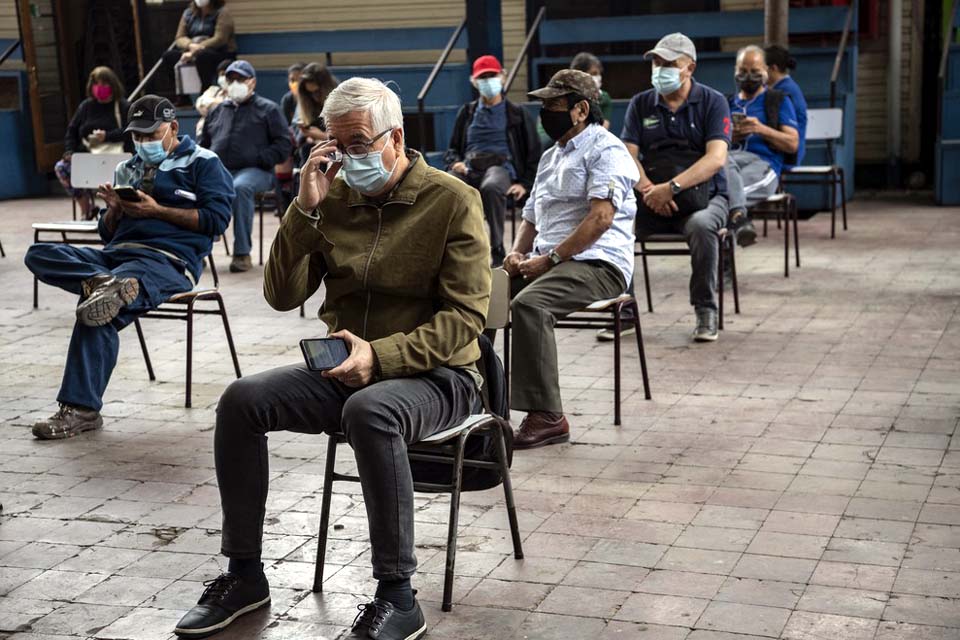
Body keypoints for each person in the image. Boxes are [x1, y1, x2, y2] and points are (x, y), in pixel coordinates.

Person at [174, 77, 490, 640]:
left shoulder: (451, 200)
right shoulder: (334, 198)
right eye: (338, 144)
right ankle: (244, 574)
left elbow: (465, 320)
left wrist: (381, 356)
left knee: (370, 411)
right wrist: (302, 211)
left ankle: (398, 595)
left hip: (440, 375)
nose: (349, 156)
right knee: (242, 400)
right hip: (345, 369)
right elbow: (279, 294)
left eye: (361, 142)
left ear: (396, 138)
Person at [24, 95, 234, 440]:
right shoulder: (127, 168)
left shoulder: (204, 163)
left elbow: (216, 221)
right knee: (39, 253)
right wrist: (114, 210)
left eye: (151, 135)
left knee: (97, 311)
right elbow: (107, 234)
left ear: (173, 128)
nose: (143, 143)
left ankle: (80, 409)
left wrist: (158, 211)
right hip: (115, 257)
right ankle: (104, 283)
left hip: (165, 261)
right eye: (138, 136)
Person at [503, 69, 638, 449]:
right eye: (543, 106)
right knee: (476, 294)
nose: (544, 113)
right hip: (550, 260)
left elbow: (601, 218)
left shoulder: (606, 150)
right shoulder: (551, 156)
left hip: (598, 264)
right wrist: (516, 252)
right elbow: (531, 216)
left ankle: (547, 415)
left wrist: (550, 259)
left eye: (552, 105)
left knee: (530, 305)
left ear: (580, 110)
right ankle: (478, 398)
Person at [621, 33, 731, 342]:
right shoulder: (641, 104)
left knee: (701, 226)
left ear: (690, 68)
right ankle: (623, 310)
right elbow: (627, 155)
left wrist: (672, 188)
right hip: (652, 195)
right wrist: (649, 191)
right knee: (617, 226)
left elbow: (716, 159)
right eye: (656, 62)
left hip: (705, 196)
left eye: (669, 63)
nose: (660, 69)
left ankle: (706, 310)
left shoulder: (712, 102)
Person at [444, 54, 540, 267]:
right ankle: (459, 248)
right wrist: (454, 163)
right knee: (449, 185)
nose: (487, 81)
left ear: (502, 77)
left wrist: (524, 184)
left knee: (491, 186)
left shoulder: (517, 113)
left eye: (492, 76)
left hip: (500, 168)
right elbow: (452, 149)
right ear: (474, 82)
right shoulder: (467, 113)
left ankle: (497, 247)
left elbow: (533, 153)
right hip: (469, 167)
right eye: (483, 77)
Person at [200, 60, 293, 273]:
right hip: (221, 170)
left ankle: (242, 253)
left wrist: (261, 158)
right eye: (231, 79)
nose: (235, 83)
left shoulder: (268, 109)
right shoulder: (217, 111)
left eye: (240, 79)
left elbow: (283, 144)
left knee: (239, 188)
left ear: (252, 82)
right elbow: (203, 143)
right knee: (199, 186)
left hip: (256, 171)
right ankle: (199, 250)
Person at [725, 45, 800, 247]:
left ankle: (724, 265)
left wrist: (760, 129)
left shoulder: (777, 101)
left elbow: (792, 143)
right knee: (721, 163)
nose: (748, 77)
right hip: (731, 161)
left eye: (755, 72)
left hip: (763, 164)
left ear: (766, 72)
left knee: (719, 201)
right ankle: (740, 220)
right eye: (743, 71)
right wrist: (730, 135)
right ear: (735, 71)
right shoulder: (725, 103)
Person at [56, 66, 132, 220]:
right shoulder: (86, 106)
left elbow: (130, 131)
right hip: (88, 155)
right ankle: (87, 209)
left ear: (112, 84)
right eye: (96, 83)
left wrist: (107, 136)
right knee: (62, 168)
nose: (100, 87)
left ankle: (114, 213)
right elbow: (72, 130)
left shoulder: (123, 106)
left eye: (104, 83)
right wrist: (70, 151)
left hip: (115, 157)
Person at [162, 0, 237, 102]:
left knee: (203, 56)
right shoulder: (188, 13)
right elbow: (179, 37)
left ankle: (205, 93)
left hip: (219, 52)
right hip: (191, 50)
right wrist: (190, 45)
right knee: (169, 56)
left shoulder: (222, 12)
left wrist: (197, 48)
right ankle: (183, 97)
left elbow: (220, 38)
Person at [764, 44, 807, 166]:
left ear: (773, 68)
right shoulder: (781, 88)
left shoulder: (785, 91)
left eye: (761, 68)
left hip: (786, 154)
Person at [292, 62, 339, 165]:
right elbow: (298, 131)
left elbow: (348, 139)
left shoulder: (340, 101)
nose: (314, 97)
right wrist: (308, 137)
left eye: (317, 92)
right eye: (309, 93)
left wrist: (322, 136)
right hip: (312, 148)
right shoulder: (307, 101)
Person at [193, 58, 232, 138]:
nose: (223, 77)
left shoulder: (237, 95)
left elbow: (227, 112)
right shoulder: (213, 90)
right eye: (221, 75)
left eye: (225, 74)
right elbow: (200, 103)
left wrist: (211, 106)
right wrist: (222, 104)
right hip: (202, 135)